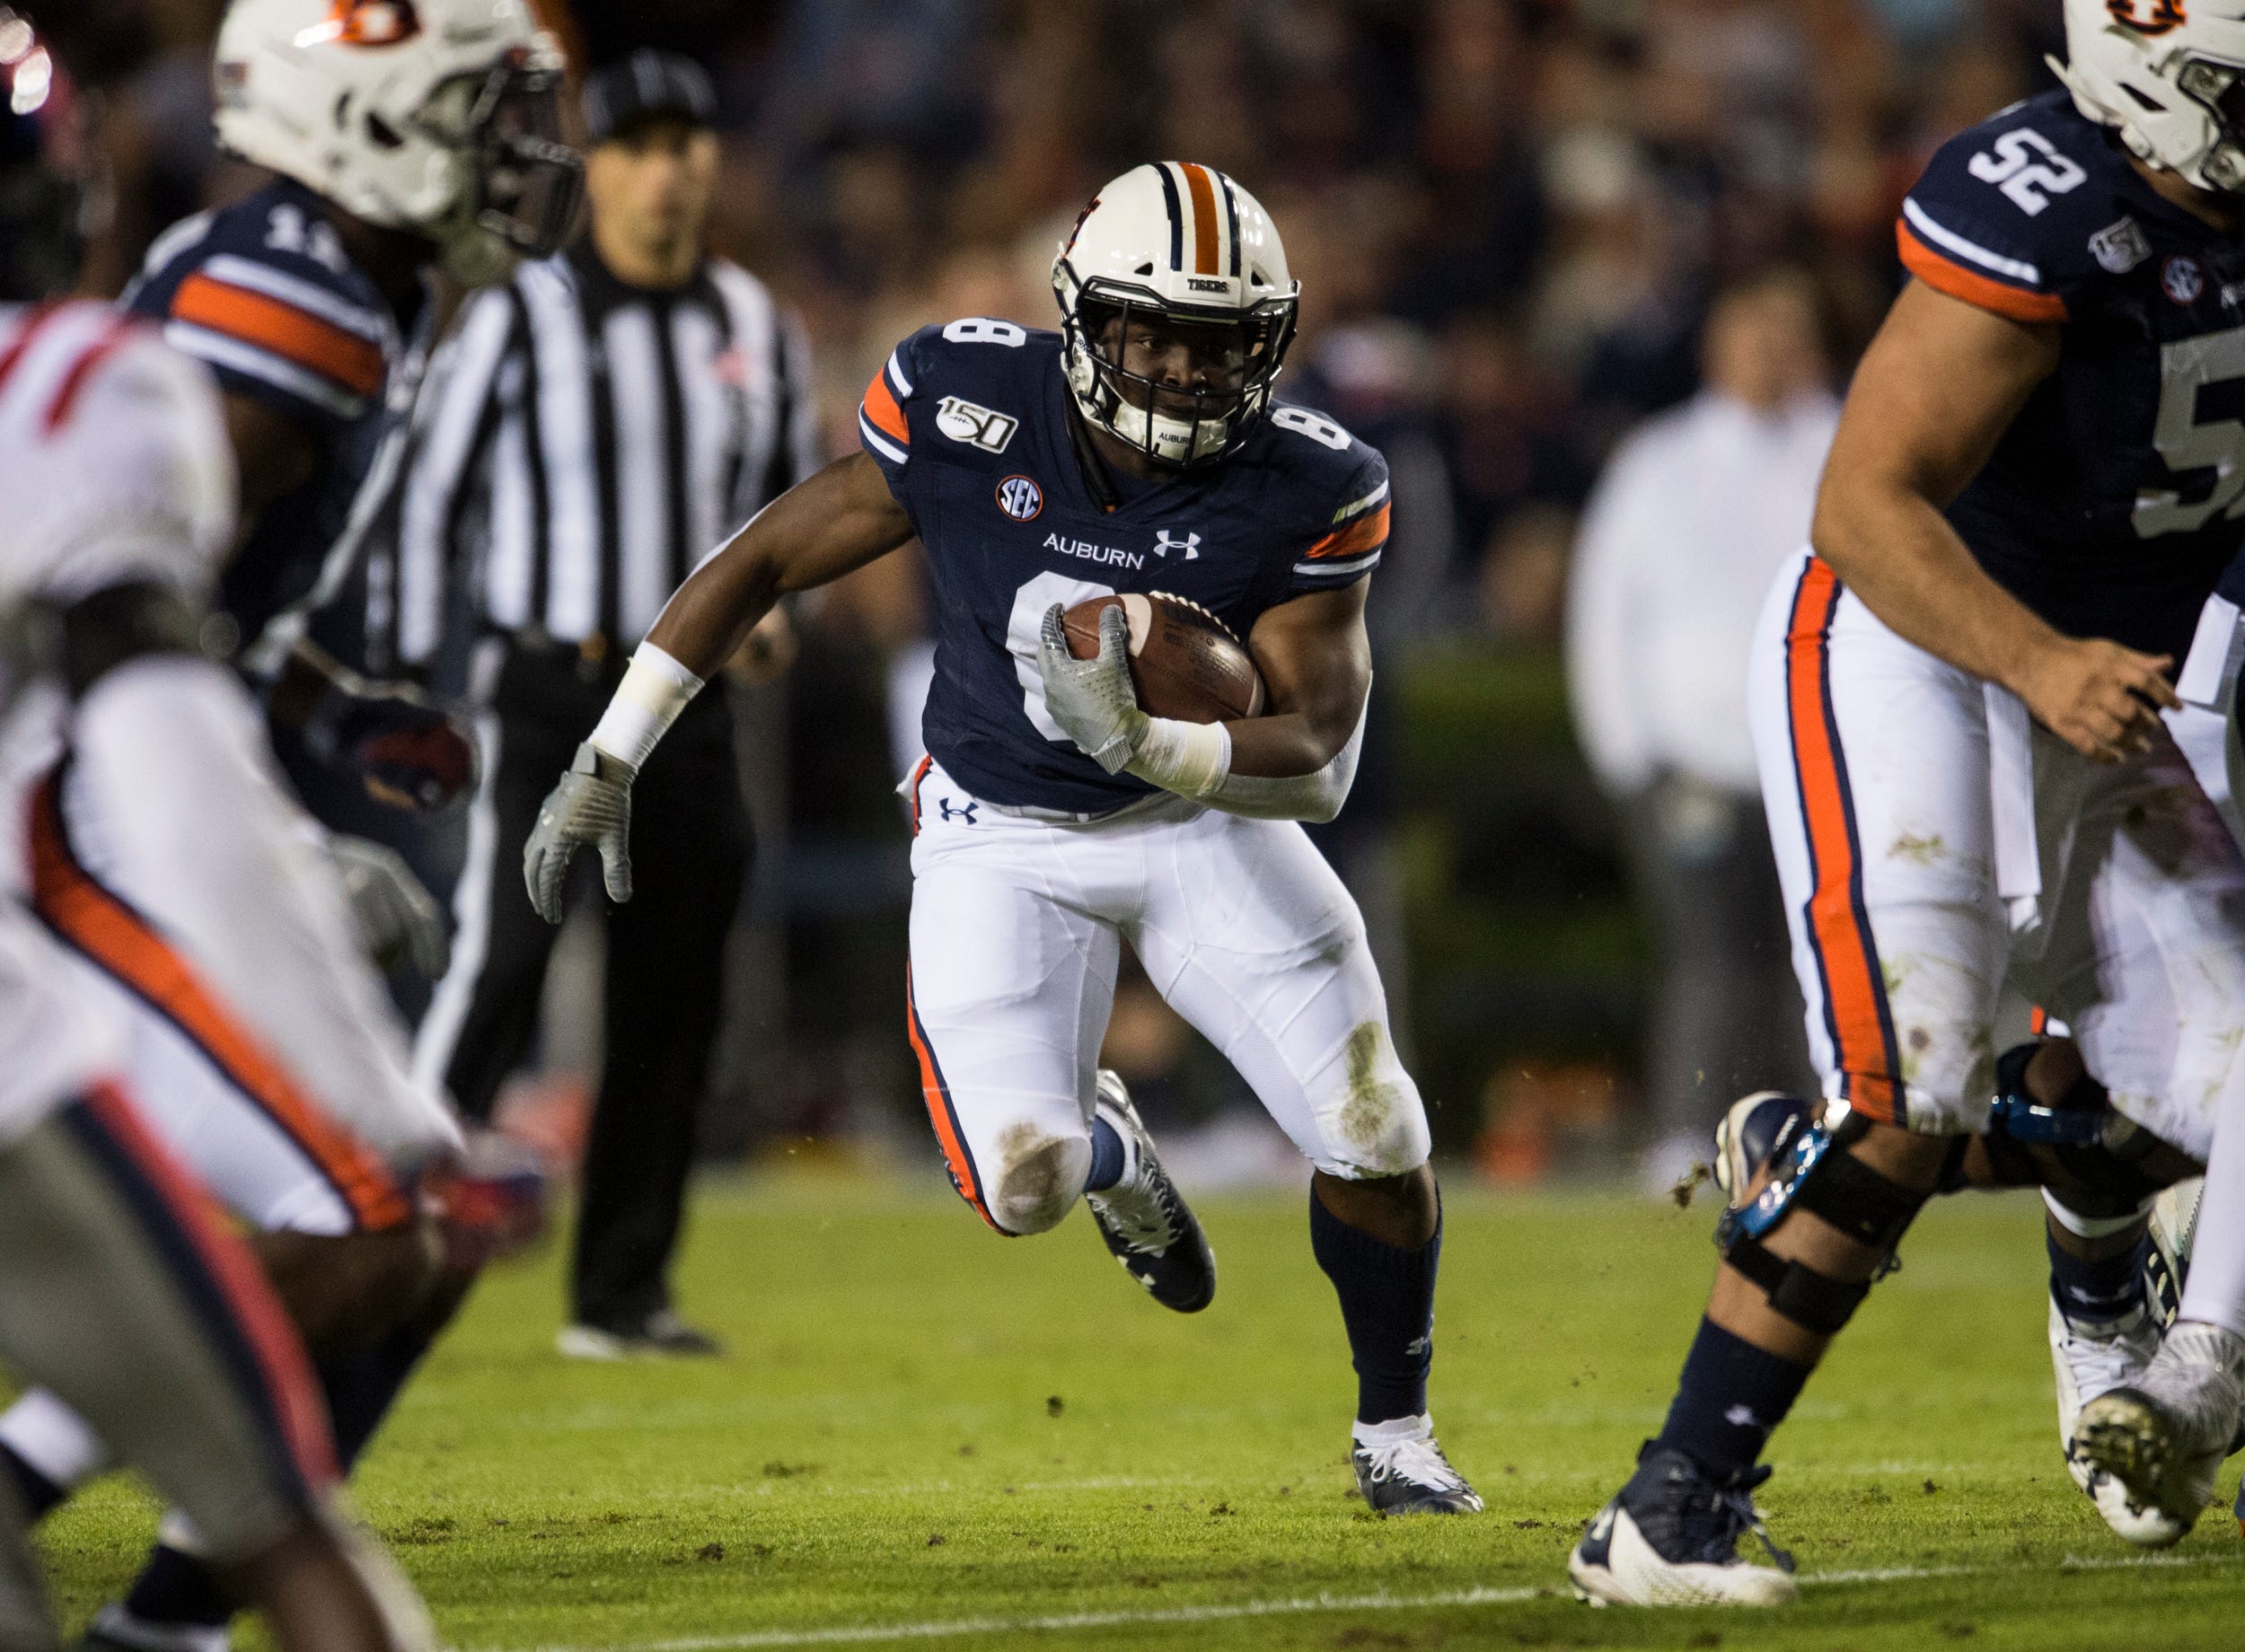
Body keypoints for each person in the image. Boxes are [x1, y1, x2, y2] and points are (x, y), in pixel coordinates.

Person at [521, 162, 1484, 1514]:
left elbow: (1318, 760)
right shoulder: (968, 403)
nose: (1185, 371)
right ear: (1083, 317)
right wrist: (614, 750)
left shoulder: (1311, 481)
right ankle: (1110, 1153)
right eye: (1155, 332)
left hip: (1199, 824)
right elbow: (766, 557)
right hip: (999, 832)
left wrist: (1149, 742)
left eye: (1220, 343)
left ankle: (1398, 1434)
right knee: (1026, 1182)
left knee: (1376, 1125)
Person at [1569, 2, 2245, 1604]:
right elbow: (1863, 505)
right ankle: (1668, 1511)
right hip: (1920, 642)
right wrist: (2038, 659)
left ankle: (2128, 1328)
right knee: (1912, 1080)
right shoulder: (2050, 203)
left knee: (2202, 1090)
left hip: (2121, 678)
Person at [0, 5, 577, 1647]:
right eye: (481, 111)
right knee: (396, 1209)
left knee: (404, 1220)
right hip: (80, 810)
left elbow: (154, 578)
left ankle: (155, 1607)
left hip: (85, 786)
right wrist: (264, 845)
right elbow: (121, 624)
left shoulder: (301, 274)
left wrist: (325, 709)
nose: (521, 151)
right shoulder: (292, 309)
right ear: (372, 121)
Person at [395, 48, 806, 1358]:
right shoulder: (522, 313)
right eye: (639, 145)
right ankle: (376, 1235)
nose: (668, 170)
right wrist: (412, 679)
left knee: (672, 998)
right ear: (600, 167)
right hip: (542, 685)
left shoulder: (757, 324)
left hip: (687, 707)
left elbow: (789, 525)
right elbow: (426, 499)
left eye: (688, 142)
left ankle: (621, 1294)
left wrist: (778, 614)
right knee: (500, 966)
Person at [1566, 270, 1834, 1190]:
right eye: (1750, 333)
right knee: (1711, 959)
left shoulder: (1842, 449)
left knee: (1820, 954)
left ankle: (1829, 1129)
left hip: (1820, 761)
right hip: (1693, 762)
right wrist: (1628, 757)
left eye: (1783, 333)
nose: (1766, 353)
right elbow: (1605, 612)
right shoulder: (1659, 462)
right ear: (1717, 347)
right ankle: (1689, 1128)